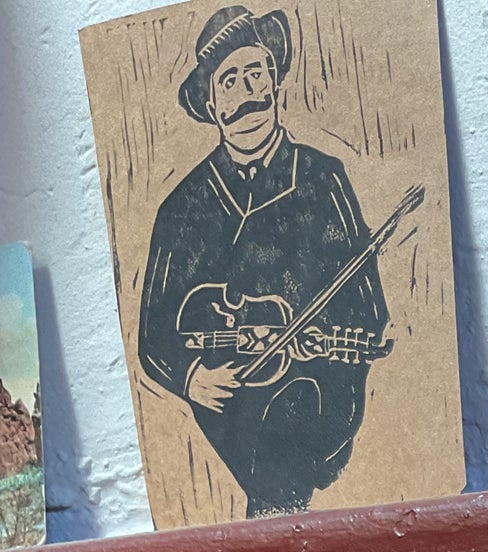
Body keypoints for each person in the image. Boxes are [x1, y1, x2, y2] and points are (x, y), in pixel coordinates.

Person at [137, 6, 389, 516]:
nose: (246, 92)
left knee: (290, 423)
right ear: (211, 104)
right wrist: (190, 380)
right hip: (229, 407)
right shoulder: (180, 209)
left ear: (275, 82)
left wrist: (314, 349)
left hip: (318, 392)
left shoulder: (322, 177)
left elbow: (369, 310)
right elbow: (152, 336)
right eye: (228, 81)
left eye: (256, 73)